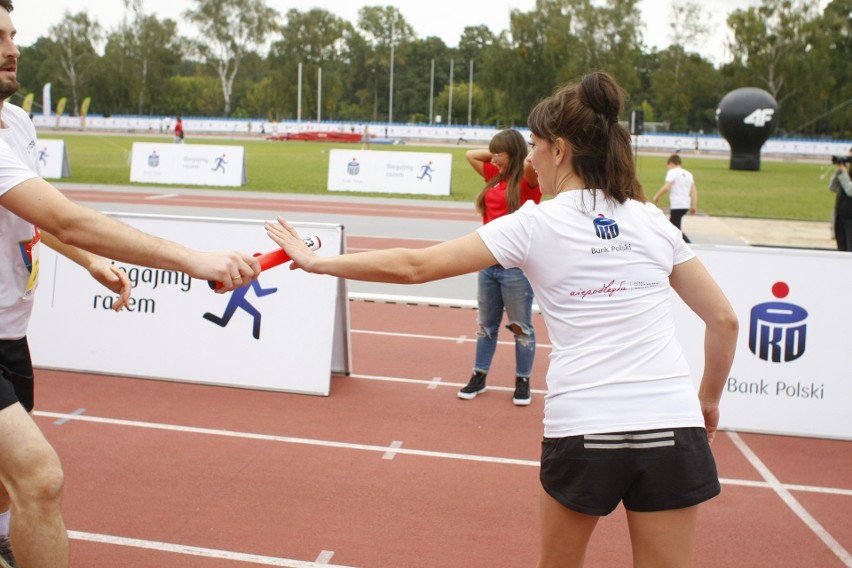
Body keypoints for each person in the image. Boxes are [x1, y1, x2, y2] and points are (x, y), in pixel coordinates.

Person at [265, 71, 738, 568]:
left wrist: (319, 262)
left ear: (559, 149)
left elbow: (415, 266)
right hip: (672, 424)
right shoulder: (650, 221)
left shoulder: (536, 223)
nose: (529, 157)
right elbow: (723, 320)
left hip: (586, 427)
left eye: (534, 145)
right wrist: (706, 401)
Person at [0, 3, 261, 566]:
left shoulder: (17, 123)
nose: (12, 47)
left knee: (7, 488)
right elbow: (69, 218)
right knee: (40, 478)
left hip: (10, 336)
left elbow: (37, 216)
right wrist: (195, 261)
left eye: (13, 33)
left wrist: (89, 260)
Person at [460, 129, 541, 406]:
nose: (493, 158)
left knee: (520, 327)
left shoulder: (528, 182)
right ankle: (479, 376)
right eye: (492, 154)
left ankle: (522, 381)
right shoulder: (492, 177)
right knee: (485, 326)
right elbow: (470, 154)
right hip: (487, 264)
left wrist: (516, 155)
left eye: (499, 154)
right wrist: (498, 154)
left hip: (515, 268)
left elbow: (530, 162)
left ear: (515, 154)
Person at [652, 154, 697, 242]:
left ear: (671, 163)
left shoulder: (672, 172)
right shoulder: (688, 174)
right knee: (674, 227)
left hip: (677, 205)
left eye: (668, 166)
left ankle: (689, 245)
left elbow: (667, 187)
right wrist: (694, 206)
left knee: (673, 229)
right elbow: (694, 190)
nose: (668, 168)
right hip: (685, 205)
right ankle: (683, 245)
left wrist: (656, 196)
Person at [828, 147, 852, 251]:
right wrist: (839, 170)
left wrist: (844, 173)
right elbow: (832, 187)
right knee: (842, 250)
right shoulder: (847, 172)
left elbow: (850, 190)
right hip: (841, 217)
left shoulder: (846, 174)